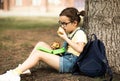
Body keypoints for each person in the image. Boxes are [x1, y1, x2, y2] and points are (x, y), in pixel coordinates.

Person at [0, 7, 87, 81]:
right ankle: (25, 68)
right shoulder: (72, 31)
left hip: (70, 64)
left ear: (75, 23)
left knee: (39, 54)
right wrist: (58, 49)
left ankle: (15, 74)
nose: (62, 26)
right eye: (61, 23)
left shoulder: (79, 33)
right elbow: (69, 48)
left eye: (64, 23)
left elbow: (80, 49)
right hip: (65, 57)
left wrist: (65, 38)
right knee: (40, 44)